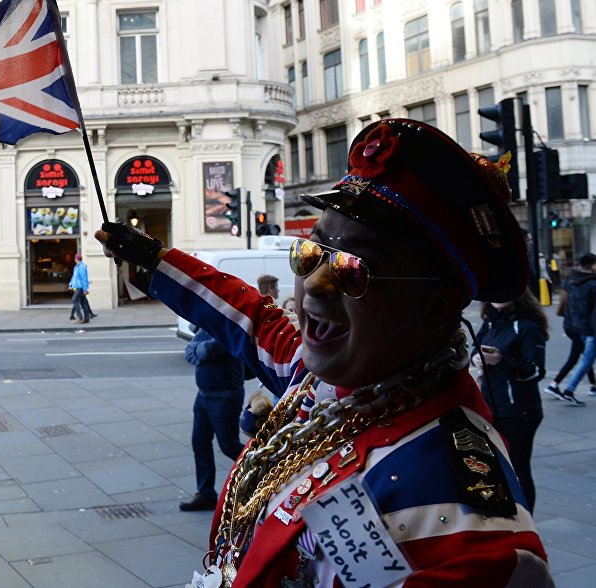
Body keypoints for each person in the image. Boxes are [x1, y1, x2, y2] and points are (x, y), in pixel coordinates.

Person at [97, 119, 551, 586]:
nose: (314, 285)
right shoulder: (322, 376)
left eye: (354, 269)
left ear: (435, 311)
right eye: (311, 253)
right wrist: (153, 262)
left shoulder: (459, 518)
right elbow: (252, 318)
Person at [472, 290, 547, 512]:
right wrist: (478, 357)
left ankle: (525, 519)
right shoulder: (490, 322)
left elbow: (534, 371)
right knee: (494, 467)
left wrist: (501, 361)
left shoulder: (527, 327)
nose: (499, 293)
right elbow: (478, 347)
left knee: (518, 468)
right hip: (490, 405)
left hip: (518, 411)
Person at [179, 327, 245, 512]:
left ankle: (264, 472)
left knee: (229, 445)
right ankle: (205, 493)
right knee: (200, 443)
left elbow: (208, 349)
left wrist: (197, 350)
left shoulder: (227, 325)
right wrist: (198, 349)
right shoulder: (208, 324)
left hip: (225, 396)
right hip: (203, 395)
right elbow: (190, 351)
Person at [546, 252, 596, 403]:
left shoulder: (570, 279)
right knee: (586, 359)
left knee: (579, 357)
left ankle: (590, 385)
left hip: (572, 326)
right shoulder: (592, 284)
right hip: (588, 328)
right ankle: (569, 388)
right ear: (591, 265)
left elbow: (564, 302)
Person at [68, 253, 93, 323]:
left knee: (74, 300)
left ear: (76, 259)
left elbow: (84, 278)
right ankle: (87, 318)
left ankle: (80, 317)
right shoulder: (77, 267)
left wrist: (85, 289)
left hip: (80, 287)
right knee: (83, 302)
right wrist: (70, 285)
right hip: (78, 287)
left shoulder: (82, 267)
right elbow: (74, 277)